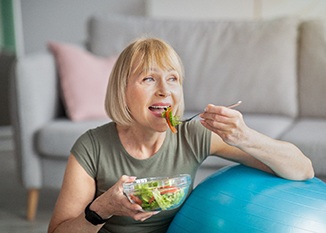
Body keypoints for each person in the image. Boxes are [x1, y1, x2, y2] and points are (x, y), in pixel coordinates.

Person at [48, 37, 314, 233]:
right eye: (149, 79)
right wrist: (103, 208)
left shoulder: (193, 134)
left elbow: (302, 169)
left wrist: (245, 137)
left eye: (173, 78)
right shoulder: (91, 147)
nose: (165, 90)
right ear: (122, 91)